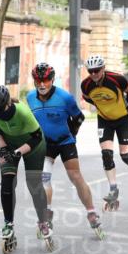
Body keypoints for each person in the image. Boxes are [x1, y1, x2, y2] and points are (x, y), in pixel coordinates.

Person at [26, 62, 104, 239]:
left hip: (65, 142)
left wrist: (72, 134)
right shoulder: (30, 97)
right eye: (38, 81)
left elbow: (79, 117)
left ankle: (91, 212)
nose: (42, 84)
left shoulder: (65, 98)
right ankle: (46, 215)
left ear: (52, 79)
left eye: (46, 80)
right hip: (45, 145)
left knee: (75, 177)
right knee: (44, 178)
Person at [0, 85, 52, 254]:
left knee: (33, 184)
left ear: (8, 103)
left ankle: (43, 221)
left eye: (1, 110)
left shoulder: (22, 112)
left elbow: (37, 137)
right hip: (9, 144)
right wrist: (3, 147)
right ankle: (8, 224)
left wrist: (18, 152)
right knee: (7, 183)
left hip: (33, 145)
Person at [80, 54, 128, 210]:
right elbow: (88, 98)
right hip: (104, 120)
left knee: (126, 156)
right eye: (91, 71)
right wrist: (102, 105)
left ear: (103, 68)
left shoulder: (117, 79)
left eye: (97, 70)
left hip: (122, 118)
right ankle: (113, 189)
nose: (94, 74)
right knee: (106, 155)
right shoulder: (86, 85)